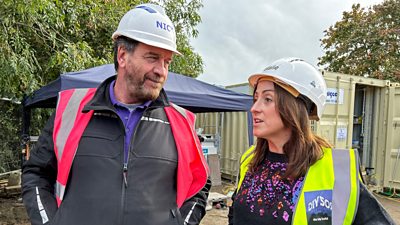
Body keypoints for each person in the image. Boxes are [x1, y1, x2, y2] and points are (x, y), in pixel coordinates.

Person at [22, 3, 210, 225]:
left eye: (166, 61)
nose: (161, 71)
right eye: (152, 58)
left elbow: (200, 185)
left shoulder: (180, 121)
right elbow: (36, 174)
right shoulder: (72, 109)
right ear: (122, 55)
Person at [228, 58, 395, 225]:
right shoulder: (250, 159)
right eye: (256, 98)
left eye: (268, 99)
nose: (254, 108)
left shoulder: (336, 170)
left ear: (295, 107)